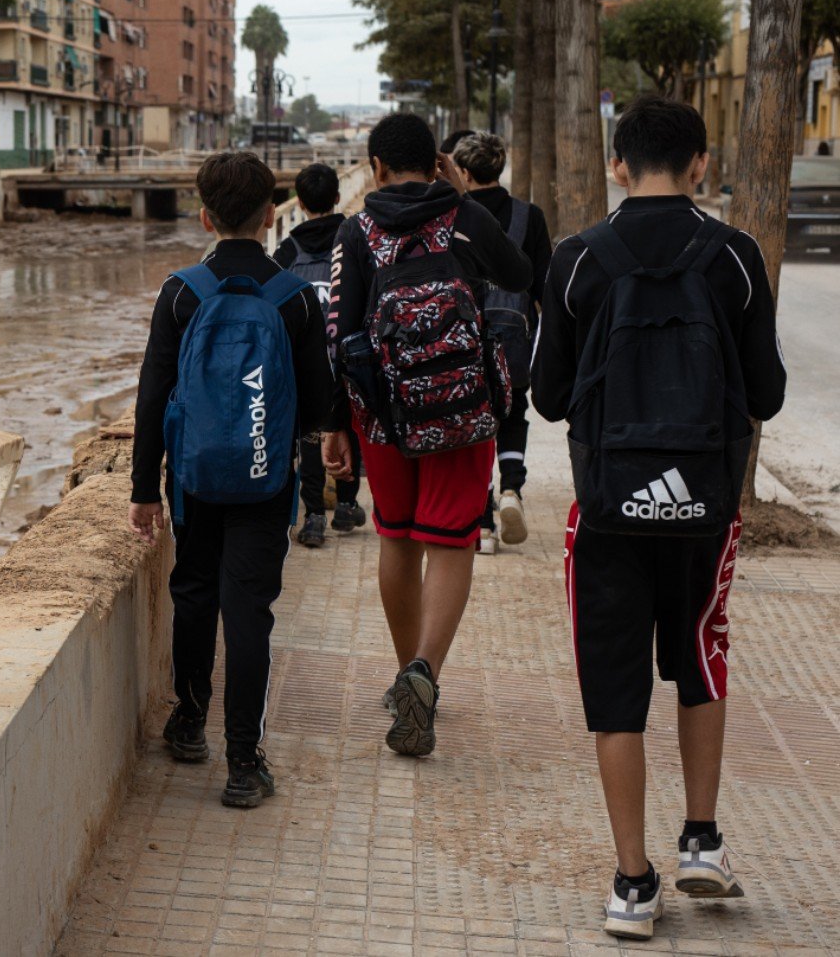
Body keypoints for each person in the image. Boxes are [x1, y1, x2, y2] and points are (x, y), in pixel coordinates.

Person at [530, 96, 786, 941]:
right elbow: (770, 392)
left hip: (608, 509)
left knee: (615, 692)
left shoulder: (576, 260)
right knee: (700, 658)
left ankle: (633, 885)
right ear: (701, 165)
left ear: (616, 164)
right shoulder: (737, 257)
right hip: (705, 509)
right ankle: (702, 842)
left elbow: (549, 395)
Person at [322, 113, 529, 758]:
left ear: (375, 167)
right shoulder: (463, 218)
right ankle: (426, 673)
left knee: (398, 537)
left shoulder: (357, 230)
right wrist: (463, 199)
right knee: (451, 542)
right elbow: (519, 275)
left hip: (384, 414)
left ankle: (403, 670)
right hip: (463, 410)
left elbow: (342, 330)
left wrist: (337, 426)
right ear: (438, 161)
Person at [128, 152, 332, 808]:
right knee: (249, 611)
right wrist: (330, 449)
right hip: (266, 480)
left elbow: (153, 396)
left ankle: (188, 722)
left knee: (194, 593)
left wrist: (141, 488)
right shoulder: (295, 298)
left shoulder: (182, 291)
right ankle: (244, 762)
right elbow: (320, 402)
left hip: (192, 478)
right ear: (273, 215)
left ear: (204, 216)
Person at [449, 131, 554, 553]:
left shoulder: (455, 216)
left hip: (465, 336)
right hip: (514, 338)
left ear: (466, 172)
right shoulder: (530, 216)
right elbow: (543, 285)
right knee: (513, 413)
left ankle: (483, 523)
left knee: (473, 425)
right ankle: (512, 487)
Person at [271, 162, 365, 549]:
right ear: (338, 197)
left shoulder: (288, 248)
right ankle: (345, 504)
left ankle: (312, 517)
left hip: (303, 358)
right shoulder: (354, 238)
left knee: (310, 434)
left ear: (300, 201)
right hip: (348, 353)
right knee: (348, 425)